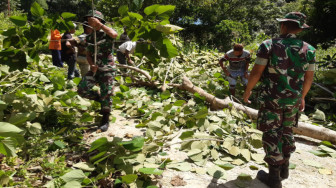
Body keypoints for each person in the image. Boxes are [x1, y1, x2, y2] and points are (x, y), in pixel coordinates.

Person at [243, 12, 315, 188]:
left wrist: (247, 92)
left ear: (283, 26)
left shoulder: (268, 45)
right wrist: (302, 97)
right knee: (287, 131)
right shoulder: (310, 50)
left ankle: (274, 178)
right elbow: (308, 78)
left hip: (271, 100)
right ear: (299, 29)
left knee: (272, 133)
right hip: (293, 100)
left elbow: (256, 72)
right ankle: (285, 168)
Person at [78, 10, 118, 132]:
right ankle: (101, 99)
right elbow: (89, 54)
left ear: (99, 20)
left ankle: (105, 118)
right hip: (95, 70)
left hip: (107, 69)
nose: (89, 21)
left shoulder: (106, 33)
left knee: (107, 92)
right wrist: (92, 64)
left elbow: (114, 35)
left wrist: (100, 25)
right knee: (82, 89)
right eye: (88, 20)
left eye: (92, 19)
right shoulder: (89, 37)